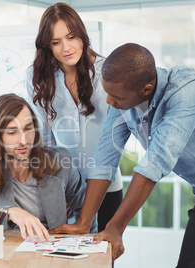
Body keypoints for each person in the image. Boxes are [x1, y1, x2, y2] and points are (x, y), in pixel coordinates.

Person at [59, 43, 195, 267]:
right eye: (108, 94)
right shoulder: (124, 102)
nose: (109, 102)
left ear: (146, 90)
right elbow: (105, 158)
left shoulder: (188, 89)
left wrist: (116, 228)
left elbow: (154, 162)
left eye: (116, 97)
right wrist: (84, 222)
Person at [25, 2, 123, 232]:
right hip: (65, 189)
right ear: (47, 46)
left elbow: (116, 138)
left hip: (107, 186)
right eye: (56, 42)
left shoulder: (107, 71)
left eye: (71, 37)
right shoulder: (37, 77)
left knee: (103, 260)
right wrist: (58, 186)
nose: (66, 48)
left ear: (82, 35)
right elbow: (45, 140)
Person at [0, 93, 97, 243]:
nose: (23, 141)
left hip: (50, 254)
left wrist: (86, 247)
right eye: (12, 132)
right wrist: (8, 213)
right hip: (4, 254)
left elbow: (87, 211)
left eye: (28, 129)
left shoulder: (59, 160)